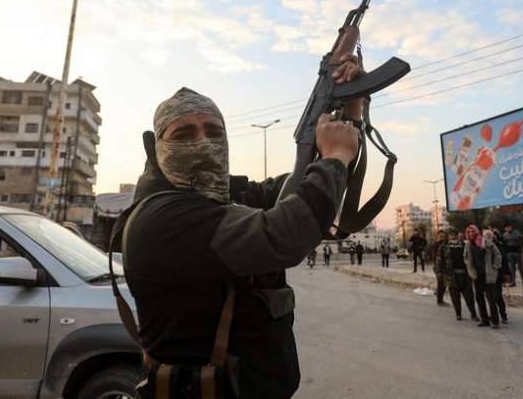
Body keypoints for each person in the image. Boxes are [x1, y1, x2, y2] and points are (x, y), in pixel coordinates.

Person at [123, 66, 362, 397]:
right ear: (155, 148)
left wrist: (350, 110)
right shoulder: (161, 220)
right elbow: (285, 233)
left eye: (213, 131)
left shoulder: (231, 198)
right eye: (183, 134)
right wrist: (336, 155)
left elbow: (317, 188)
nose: (203, 141)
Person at [464, 224, 502, 328]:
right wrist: (471, 270)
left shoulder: (485, 242)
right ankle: (485, 320)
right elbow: (466, 258)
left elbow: (497, 254)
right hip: (477, 276)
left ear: (476, 232)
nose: (471, 233)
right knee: (479, 298)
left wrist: (495, 266)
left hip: (488, 274)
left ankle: (495, 321)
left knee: (491, 299)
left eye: (472, 231)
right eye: (469, 232)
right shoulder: (468, 245)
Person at [437, 230, 479, 321]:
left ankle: (473, 314)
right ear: (448, 237)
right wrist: (439, 273)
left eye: (455, 235)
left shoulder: (464, 245)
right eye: (451, 235)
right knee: (455, 297)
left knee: (469, 296)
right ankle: (458, 314)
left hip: (465, 275)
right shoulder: (444, 247)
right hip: (451, 276)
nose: (453, 237)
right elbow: (439, 260)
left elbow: (470, 258)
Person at [488, 230, 510, 324]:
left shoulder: (499, 246)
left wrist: (506, 275)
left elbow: (504, 262)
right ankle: (494, 314)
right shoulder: (484, 246)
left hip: (497, 275)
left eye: (490, 236)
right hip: (488, 276)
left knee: (498, 296)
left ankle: (503, 315)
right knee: (490, 297)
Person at [429, 231, 448, 306]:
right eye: (441, 236)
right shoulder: (435, 245)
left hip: (444, 267)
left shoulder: (444, 244)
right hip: (438, 267)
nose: (442, 238)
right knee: (441, 284)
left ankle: (439, 297)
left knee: (443, 284)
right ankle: (440, 301)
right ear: (437, 236)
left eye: (443, 236)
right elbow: (434, 257)